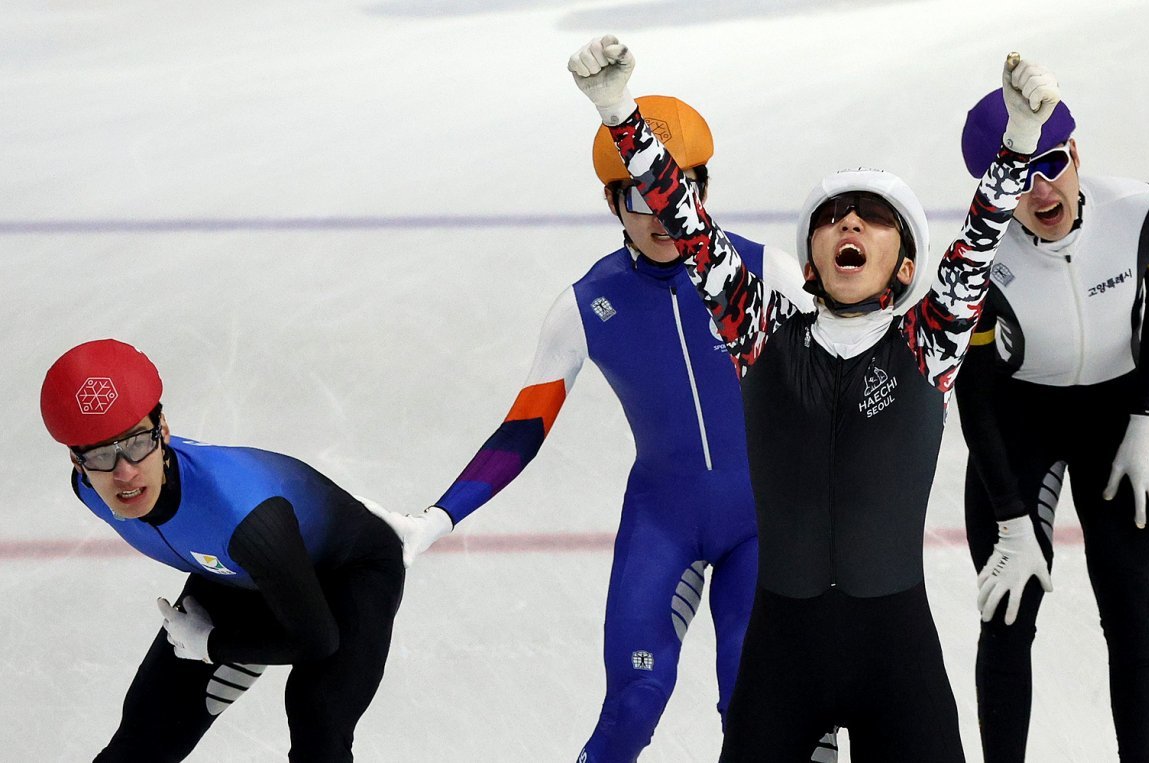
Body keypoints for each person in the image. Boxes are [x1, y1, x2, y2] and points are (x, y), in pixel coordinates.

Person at [568, 36, 1060, 761]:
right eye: (834, 216)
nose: (851, 224)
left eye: (872, 215)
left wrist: (1021, 138)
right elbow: (689, 226)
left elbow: (982, 235)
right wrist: (619, 113)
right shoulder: (761, 331)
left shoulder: (929, 341)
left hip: (897, 658)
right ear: (811, 258)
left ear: (906, 262)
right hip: (781, 656)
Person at [372, 97, 834, 761]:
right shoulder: (588, 304)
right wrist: (436, 519)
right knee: (633, 701)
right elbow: (523, 426)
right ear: (612, 202)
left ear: (703, 188)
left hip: (766, 519)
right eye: (640, 197)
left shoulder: (769, 272)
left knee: (761, 698)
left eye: (678, 191)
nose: (662, 214)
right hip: (664, 520)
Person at [956, 84, 1149, 762]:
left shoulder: (1139, 211)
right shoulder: (979, 264)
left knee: (1130, 604)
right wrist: (1008, 517)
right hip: (1018, 423)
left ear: (1075, 153)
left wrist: (1145, 419)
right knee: (1007, 614)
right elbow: (973, 395)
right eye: (1018, 180)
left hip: (1118, 418)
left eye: (1049, 164)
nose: (1040, 191)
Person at [39, 339, 406, 762]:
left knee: (318, 725)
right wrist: (229, 643)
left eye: (138, 442)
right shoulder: (88, 490)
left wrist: (215, 645)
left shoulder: (240, 514)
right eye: (102, 454)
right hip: (241, 575)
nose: (125, 472)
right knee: (145, 730)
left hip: (346, 574)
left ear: (164, 431)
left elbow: (317, 641)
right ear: (75, 460)